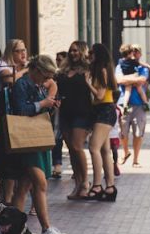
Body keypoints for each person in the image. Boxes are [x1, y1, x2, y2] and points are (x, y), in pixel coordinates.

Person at [9, 55, 67, 234]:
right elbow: (20, 111)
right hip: (27, 141)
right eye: (45, 76)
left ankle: (15, 229)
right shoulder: (22, 84)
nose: (46, 81)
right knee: (40, 183)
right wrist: (43, 103)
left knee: (24, 186)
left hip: (35, 139)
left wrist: (50, 105)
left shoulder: (36, 84)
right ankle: (46, 228)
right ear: (36, 70)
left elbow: (38, 109)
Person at [56, 42, 92, 199]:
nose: (72, 53)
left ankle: (85, 182)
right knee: (71, 149)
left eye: (76, 50)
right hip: (65, 113)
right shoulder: (63, 71)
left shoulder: (88, 70)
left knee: (77, 147)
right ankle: (77, 183)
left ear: (83, 52)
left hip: (82, 112)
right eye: (71, 50)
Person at [85, 43, 118, 201]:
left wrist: (88, 83)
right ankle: (110, 187)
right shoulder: (102, 70)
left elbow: (99, 95)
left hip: (105, 110)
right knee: (105, 150)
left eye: (91, 52)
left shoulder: (102, 71)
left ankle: (97, 185)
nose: (89, 55)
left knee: (93, 147)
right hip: (103, 110)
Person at [116, 44, 149, 167]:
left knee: (138, 133)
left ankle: (135, 160)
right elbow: (119, 80)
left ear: (140, 54)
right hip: (124, 104)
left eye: (136, 52)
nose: (134, 54)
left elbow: (142, 80)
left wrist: (128, 80)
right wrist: (134, 79)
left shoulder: (142, 67)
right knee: (123, 132)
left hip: (139, 105)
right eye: (132, 52)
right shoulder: (120, 65)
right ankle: (126, 152)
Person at [50, 50, 69, 179]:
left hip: (67, 109)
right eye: (56, 59)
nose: (58, 62)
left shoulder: (68, 75)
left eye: (60, 59)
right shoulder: (55, 75)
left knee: (68, 139)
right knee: (57, 137)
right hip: (55, 108)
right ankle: (57, 165)